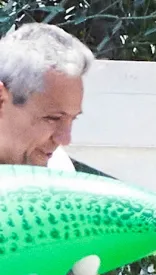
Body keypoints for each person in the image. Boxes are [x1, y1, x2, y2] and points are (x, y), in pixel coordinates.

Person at [0, 23, 91, 167]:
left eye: (72, 119)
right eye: (53, 118)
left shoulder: (59, 167)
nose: (65, 139)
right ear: (1, 101)